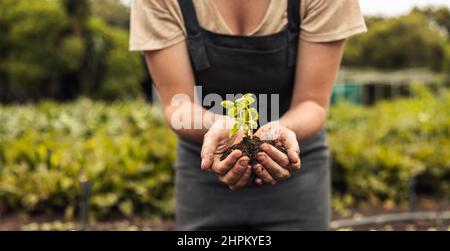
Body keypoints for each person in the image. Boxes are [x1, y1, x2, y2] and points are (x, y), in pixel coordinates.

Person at [130, 0, 366, 230]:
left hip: (294, 161)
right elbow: (178, 104)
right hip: (206, 164)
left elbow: (312, 101)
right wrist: (219, 126)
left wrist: (278, 134)